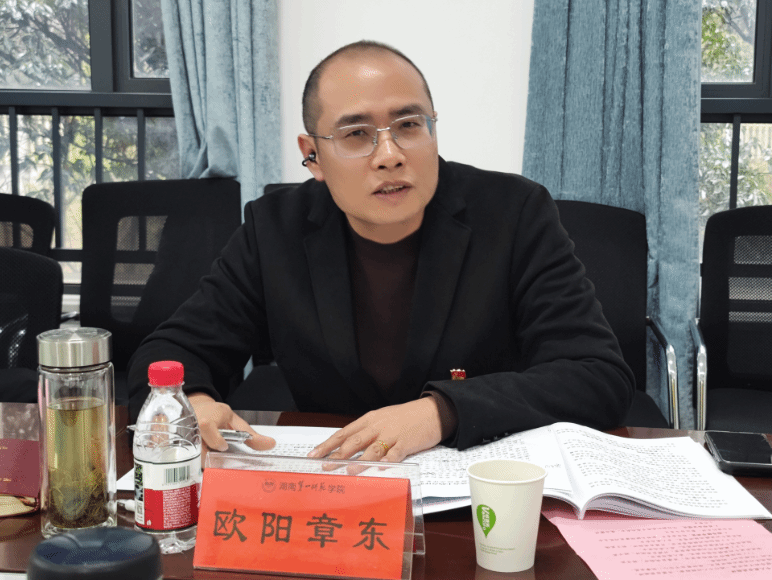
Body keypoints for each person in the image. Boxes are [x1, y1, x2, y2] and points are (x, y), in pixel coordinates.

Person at [127, 40, 634, 465]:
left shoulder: (514, 212)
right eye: (356, 135)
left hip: (475, 488)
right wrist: (192, 401)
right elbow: (169, 352)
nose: (390, 156)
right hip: (337, 486)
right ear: (312, 155)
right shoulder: (274, 229)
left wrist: (442, 412)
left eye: (409, 125)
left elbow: (597, 374)